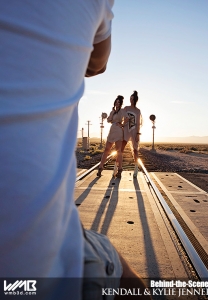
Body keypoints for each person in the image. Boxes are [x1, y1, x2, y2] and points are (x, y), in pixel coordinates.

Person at [0, 1, 150, 299]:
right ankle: (119, 167)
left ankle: (113, 166)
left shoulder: (121, 112)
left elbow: (112, 119)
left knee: (112, 151)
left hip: (116, 130)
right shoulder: (138, 111)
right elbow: (98, 63)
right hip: (125, 134)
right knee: (114, 261)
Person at [97, 95, 128, 178]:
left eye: (119, 102)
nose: (117, 103)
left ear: (120, 103)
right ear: (114, 102)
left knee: (119, 151)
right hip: (112, 130)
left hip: (118, 131)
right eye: (116, 102)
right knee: (106, 149)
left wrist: (122, 124)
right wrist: (113, 112)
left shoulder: (122, 110)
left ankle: (120, 169)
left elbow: (127, 118)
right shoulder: (113, 111)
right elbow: (108, 120)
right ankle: (100, 167)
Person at [122, 91, 142, 178]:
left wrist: (138, 134)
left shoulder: (138, 111)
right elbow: (122, 118)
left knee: (135, 150)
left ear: (135, 100)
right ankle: (117, 167)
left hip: (134, 131)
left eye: (133, 99)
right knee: (121, 149)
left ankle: (136, 168)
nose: (131, 100)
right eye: (130, 98)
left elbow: (138, 123)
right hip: (125, 130)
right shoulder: (126, 108)